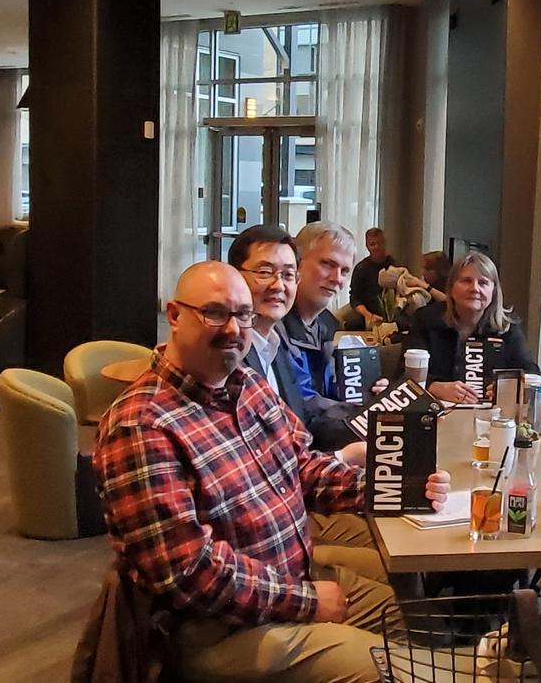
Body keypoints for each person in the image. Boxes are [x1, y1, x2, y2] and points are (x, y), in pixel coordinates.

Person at [94, 261, 450, 683]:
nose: (233, 329)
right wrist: (307, 601)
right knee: (395, 670)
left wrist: (395, 487)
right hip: (218, 629)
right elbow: (188, 573)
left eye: (243, 315)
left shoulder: (248, 385)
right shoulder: (141, 425)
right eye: (214, 313)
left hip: (289, 580)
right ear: (174, 315)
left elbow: (302, 467)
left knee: (411, 620)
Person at [228, 225, 364, 456]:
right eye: (265, 272)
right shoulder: (227, 352)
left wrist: (378, 407)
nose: (278, 285)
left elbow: (302, 423)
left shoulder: (276, 345)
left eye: (287, 275)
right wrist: (343, 456)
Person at [407, 250, 539, 404]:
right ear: (451, 288)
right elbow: (403, 376)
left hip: (489, 414)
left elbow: (533, 376)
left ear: (493, 292)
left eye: (483, 283)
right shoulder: (425, 319)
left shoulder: (507, 326)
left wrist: (507, 388)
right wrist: (435, 387)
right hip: (437, 411)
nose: (474, 288)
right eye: (466, 281)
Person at [282, 221, 357, 400]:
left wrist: (368, 393)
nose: (337, 279)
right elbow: (302, 403)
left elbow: (329, 393)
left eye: (345, 271)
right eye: (327, 264)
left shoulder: (328, 324)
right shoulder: (272, 326)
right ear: (296, 263)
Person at [349, 227, 398, 330]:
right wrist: (369, 315)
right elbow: (355, 298)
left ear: (385, 243)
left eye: (379, 243)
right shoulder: (361, 268)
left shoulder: (394, 265)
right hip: (368, 313)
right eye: (372, 244)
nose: (377, 247)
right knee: (354, 323)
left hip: (392, 313)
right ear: (367, 246)